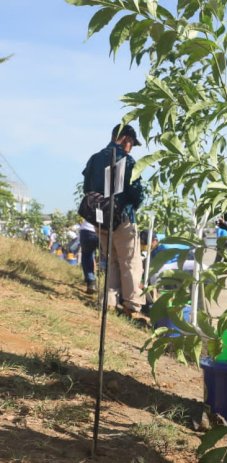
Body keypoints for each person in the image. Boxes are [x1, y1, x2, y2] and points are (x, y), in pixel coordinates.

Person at [83, 124, 145, 318]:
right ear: (126, 139)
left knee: (110, 260)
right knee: (130, 262)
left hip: (99, 217)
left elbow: (87, 187)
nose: (131, 147)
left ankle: (108, 302)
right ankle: (132, 306)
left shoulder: (94, 158)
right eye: (132, 143)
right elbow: (137, 194)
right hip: (123, 217)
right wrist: (130, 206)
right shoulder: (127, 160)